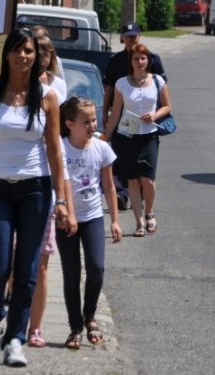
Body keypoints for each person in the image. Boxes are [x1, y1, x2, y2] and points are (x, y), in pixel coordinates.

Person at [0, 28, 74, 368]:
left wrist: (62, 201)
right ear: (6, 55)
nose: (23, 56)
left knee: (28, 268)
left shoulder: (49, 97)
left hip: (35, 188)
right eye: (18, 50)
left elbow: (54, 150)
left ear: (37, 56)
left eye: (29, 51)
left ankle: (16, 339)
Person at [57, 96, 122, 350]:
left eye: (94, 119)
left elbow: (109, 186)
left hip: (93, 215)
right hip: (67, 219)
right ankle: (75, 326)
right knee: (72, 274)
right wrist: (68, 214)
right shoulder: (61, 148)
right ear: (70, 123)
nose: (92, 125)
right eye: (86, 121)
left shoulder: (101, 148)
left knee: (96, 268)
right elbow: (61, 184)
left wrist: (115, 220)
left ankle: (90, 315)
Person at [103, 43, 171, 237]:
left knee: (147, 180)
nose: (140, 62)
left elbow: (167, 106)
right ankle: (139, 221)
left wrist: (155, 115)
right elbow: (115, 113)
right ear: (130, 62)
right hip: (127, 136)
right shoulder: (121, 84)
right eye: (136, 59)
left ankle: (149, 212)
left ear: (148, 60)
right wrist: (105, 137)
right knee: (133, 181)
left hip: (149, 136)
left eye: (143, 58)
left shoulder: (157, 81)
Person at [27, 35, 69, 348]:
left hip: (43, 187)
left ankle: (34, 328)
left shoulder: (54, 93)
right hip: (11, 184)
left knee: (41, 262)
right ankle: (13, 312)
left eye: (43, 51)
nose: (37, 56)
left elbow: (57, 148)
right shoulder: (5, 92)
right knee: (12, 262)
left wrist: (63, 198)